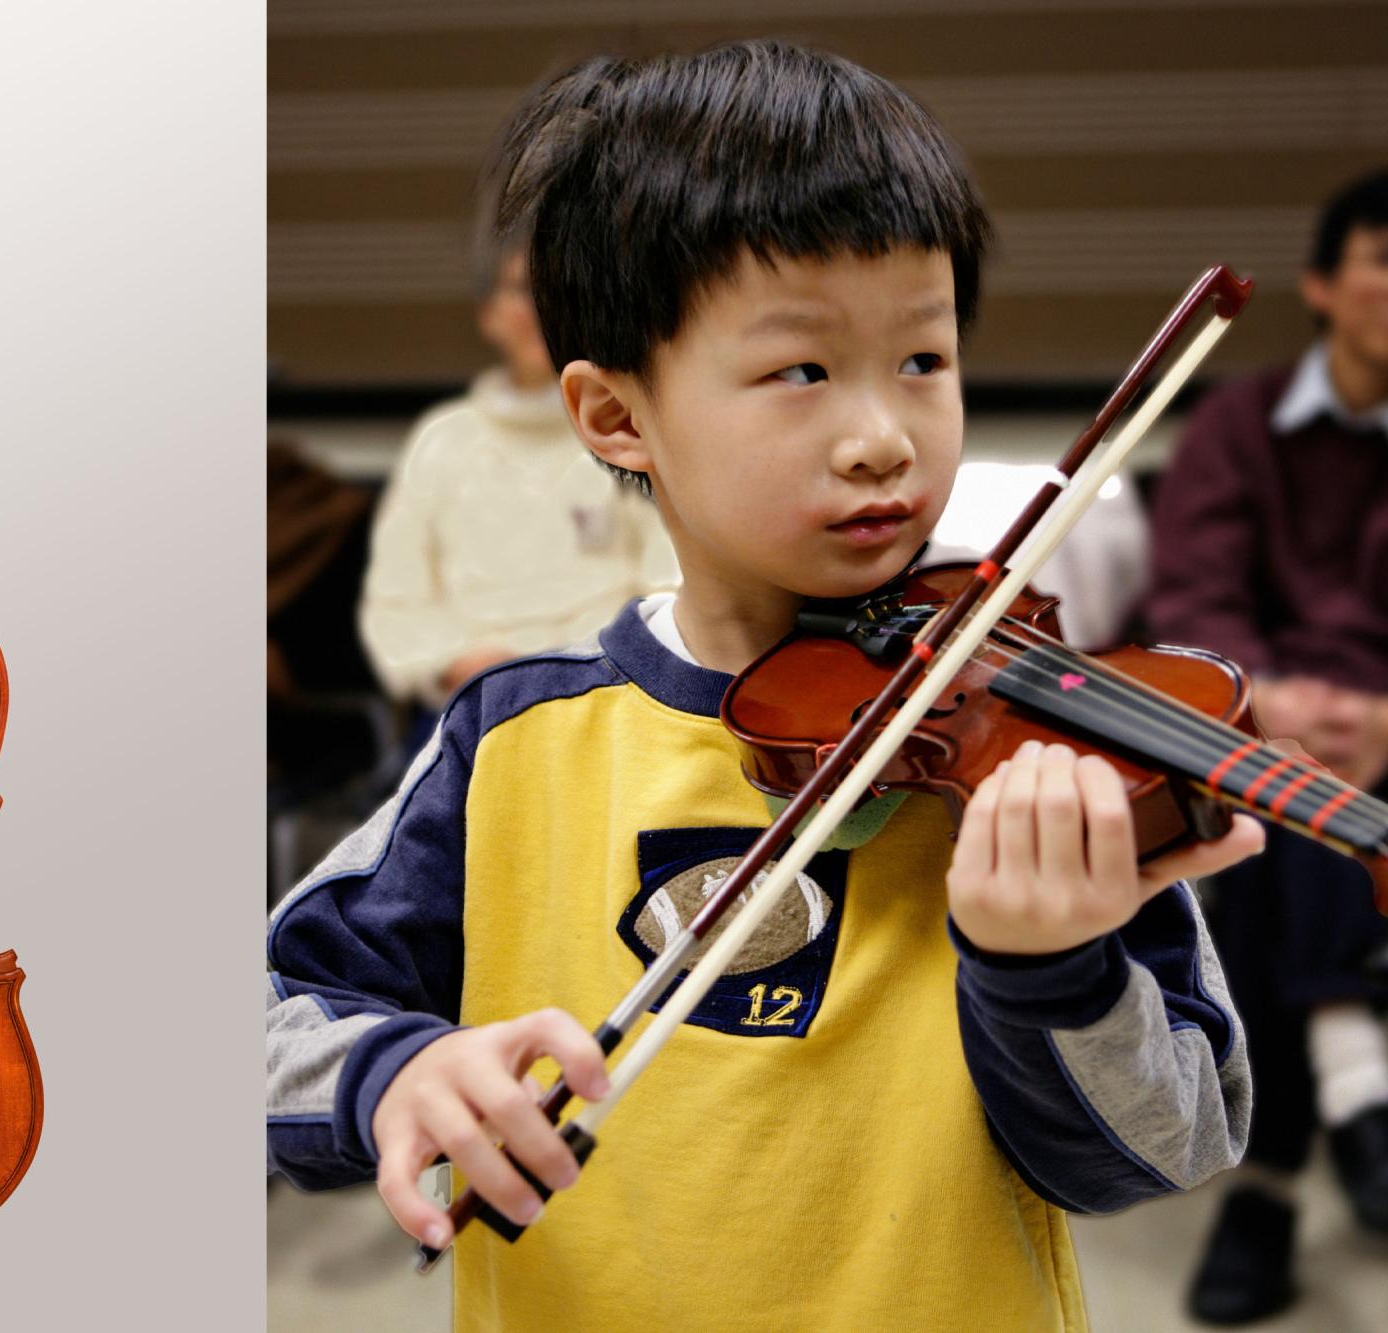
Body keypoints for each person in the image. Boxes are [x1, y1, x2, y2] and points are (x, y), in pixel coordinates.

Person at [266, 42, 1263, 1330]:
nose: (882, 438)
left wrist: (1048, 970)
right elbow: (271, 1021)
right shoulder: (514, 739)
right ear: (617, 417)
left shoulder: (1036, 753)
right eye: (802, 371)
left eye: (922, 360)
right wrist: (396, 1074)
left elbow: (1165, 1146)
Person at [1147, 168, 1388, 1325]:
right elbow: (1190, 590)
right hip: (1260, 716)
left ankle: (1266, 1184)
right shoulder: (1237, 425)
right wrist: (1271, 705)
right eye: (1382, 260)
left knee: (1280, 812)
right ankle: (1350, 1073)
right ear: (1321, 287)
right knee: (1261, 804)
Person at [357, 233, 678, 714]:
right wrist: (457, 663)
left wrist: (593, 666)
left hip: (608, 691)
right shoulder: (442, 439)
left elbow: (673, 578)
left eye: (558, 293)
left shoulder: (626, 425)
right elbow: (395, 600)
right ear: (489, 315)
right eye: (523, 291)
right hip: (473, 697)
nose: (542, 310)